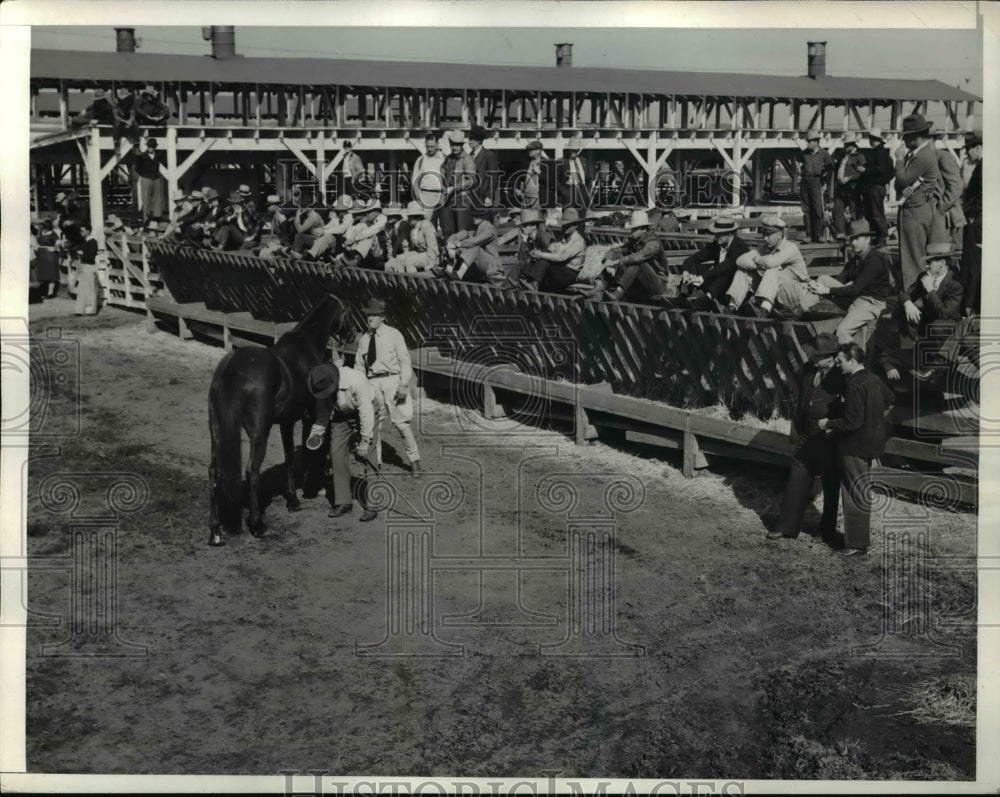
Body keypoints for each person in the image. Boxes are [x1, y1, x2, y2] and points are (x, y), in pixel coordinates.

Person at [817, 343, 894, 556]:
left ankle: (856, 544)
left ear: (852, 360)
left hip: (854, 445)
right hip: (871, 443)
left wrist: (828, 424)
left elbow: (851, 422)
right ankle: (858, 541)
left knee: (853, 492)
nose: (838, 365)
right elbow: (889, 398)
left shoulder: (854, 384)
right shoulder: (873, 378)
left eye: (841, 361)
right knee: (860, 489)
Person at [768, 333, 844, 545]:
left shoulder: (842, 374)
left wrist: (835, 427)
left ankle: (826, 530)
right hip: (806, 434)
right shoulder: (809, 369)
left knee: (830, 486)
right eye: (813, 356)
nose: (813, 359)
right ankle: (786, 527)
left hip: (829, 438)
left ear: (831, 357)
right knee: (796, 478)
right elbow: (802, 395)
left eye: (818, 357)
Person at [875, 241, 964, 388]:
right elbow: (905, 295)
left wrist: (930, 291)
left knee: (936, 326)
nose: (927, 265)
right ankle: (911, 355)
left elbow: (945, 313)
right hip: (928, 322)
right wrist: (908, 303)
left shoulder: (955, 282)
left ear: (942, 262)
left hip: (949, 325)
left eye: (930, 262)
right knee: (902, 311)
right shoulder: (925, 276)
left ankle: (935, 366)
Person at [304, 361, 379, 523]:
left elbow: (366, 412)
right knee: (336, 453)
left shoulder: (355, 381)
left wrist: (365, 441)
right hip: (341, 416)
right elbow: (324, 414)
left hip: (367, 411)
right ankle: (343, 501)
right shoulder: (321, 385)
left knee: (369, 456)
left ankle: (373, 504)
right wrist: (316, 434)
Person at [355, 298, 423, 477]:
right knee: (373, 424)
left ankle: (414, 461)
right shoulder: (364, 339)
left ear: (383, 317)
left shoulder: (394, 335)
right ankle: (375, 463)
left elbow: (404, 361)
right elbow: (359, 367)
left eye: (374, 315)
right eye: (368, 315)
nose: (370, 318)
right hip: (372, 383)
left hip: (392, 381)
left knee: (401, 423)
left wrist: (403, 384)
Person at [808, 219, 893, 345]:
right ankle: (798, 313)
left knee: (843, 330)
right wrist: (816, 286)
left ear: (867, 239)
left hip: (872, 302)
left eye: (857, 239)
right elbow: (839, 280)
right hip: (856, 298)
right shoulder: (856, 258)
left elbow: (855, 289)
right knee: (823, 279)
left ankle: (852, 362)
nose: (853, 243)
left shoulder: (875, 260)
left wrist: (826, 290)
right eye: (851, 239)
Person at [728, 215, 811, 317]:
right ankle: (732, 307)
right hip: (777, 294)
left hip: (795, 296)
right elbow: (740, 260)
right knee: (743, 270)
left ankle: (764, 310)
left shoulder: (790, 248)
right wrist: (757, 266)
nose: (765, 238)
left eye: (768, 235)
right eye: (763, 234)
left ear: (780, 235)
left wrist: (757, 260)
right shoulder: (765, 247)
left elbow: (771, 263)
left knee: (772, 270)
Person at [894, 113, 941, 291]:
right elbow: (901, 183)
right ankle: (914, 298)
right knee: (911, 257)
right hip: (913, 209)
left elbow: (901, 180)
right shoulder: (918, 154)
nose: (903, 139)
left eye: (906, 135)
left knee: (912, 259)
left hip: (915, 212)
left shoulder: (923, 157)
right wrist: (902, 186)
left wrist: (898, 159)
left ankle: (914, 301)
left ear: (915, 136)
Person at [679, 213, 750, 310]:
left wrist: (702, 277)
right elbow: (692, 259)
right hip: (716, 282)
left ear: (730, 234)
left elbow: (726, 266)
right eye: (715, 234)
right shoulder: (717, 244)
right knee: (694, 266)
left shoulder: (739, 246)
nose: (716, 237)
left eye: (720, 234)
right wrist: (686, 272)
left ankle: (706, 298)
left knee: (725, 272)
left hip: (731, 286)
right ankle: (688, 293)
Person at [601, 210, 669, 303]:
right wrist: (608, 260)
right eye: (632, 229)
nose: (631, 232)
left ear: (644, 230)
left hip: (658, 284)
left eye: (635, 229)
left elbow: (638, 257)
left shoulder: (653, 243)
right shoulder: (635, 241)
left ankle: (618, 293)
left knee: (638, 263)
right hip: (641, 283)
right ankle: (598, 287)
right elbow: (617, 250)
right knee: (617, 258)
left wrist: (616, 262)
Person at [521, 208, 587, 293]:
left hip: (570, 274)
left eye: (568, 225)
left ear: (575, 225)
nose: (565, 227)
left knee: (546, 259)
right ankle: (528, 281)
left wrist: (541, 255)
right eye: (564, 224)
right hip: (559, 270)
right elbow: (551, 248)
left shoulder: (579, 242)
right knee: (543, 256)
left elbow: (562, 257)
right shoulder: (562, 238)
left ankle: (534, 283)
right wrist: (537, 253)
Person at [436, 208, 502, 283]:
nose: (474, 217)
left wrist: (456, 245)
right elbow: (456, 236)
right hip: (476, 266)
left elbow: (474, 242)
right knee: (459, 249)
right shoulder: (472, 226)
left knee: (474, 249)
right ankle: (448, 270)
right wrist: (449, 243)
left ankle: (459, 274)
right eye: (472, 215)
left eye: (477, 216)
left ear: (483, 216)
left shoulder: (490, 229)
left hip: (491, 266)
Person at [928, 126, 966, 249]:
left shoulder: (943, 156)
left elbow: (956, 186)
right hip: (930, 216)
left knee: (940, 255)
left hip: (946, 218)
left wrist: (940, 208)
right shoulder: (921, 158)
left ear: (931, 140)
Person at [959, 131, 982, 316]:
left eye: (969, 149)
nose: (967, 153)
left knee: (972, 262)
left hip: (977, 219)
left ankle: (970, 304)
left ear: (979, 148)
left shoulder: (984, 165)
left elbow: (981, 192)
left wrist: (974, 215)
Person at [438, 130, 476, 238]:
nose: (454, 147)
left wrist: (455, 188)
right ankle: (449, 252)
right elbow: (442, 169)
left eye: (457, 145)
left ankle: (462, 254)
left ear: (461, 145)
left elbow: (472, 180)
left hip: (462, 198)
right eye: (452, 144)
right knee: (447, 229)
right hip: (448, 198)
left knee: (462, 231)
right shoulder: (449, 158)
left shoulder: (468, 159)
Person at [798, 130, 833, 243]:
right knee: (806, 209)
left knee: (818, 210)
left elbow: (830, 168)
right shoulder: (804, 153)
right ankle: (809, 235)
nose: (807, 143)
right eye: (807, 141)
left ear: (816, 142)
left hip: (817, 181)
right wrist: (799, 172)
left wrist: (825, 183)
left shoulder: (824, 154)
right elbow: (797, 161)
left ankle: (819, 235)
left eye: (809, 141)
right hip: (805, 181)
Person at [386, 201, 439, 275]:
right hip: (419, 253)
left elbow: (432, 247)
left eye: (409, 218)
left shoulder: (427, 226)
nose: (408, 220)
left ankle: (413, 284)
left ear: (416, 217)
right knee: (400, 258)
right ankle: (402, 281)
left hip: (430, 255)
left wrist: (430, 265)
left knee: (410, 261)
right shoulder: (413, 228)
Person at [859, 128, 893, 246]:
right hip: (875, 186)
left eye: (871, 139)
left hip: (875, 187)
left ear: (874, 139)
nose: (869, 141)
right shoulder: (881, 152)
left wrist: (865, 171)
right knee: (872, 213)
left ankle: (882, 237)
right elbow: (891, 171)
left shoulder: (880, 152)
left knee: (876, 213)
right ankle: (878, 236)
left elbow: (880, 169)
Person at [831, 132, 867, 239]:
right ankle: (841, 232)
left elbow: (862, 173)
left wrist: (849, 178)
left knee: (855, 211)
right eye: (845, 145)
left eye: (848, 145)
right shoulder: (842, 155)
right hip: (841, 189)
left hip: (853, 189)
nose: (845, 147)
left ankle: (857, 234)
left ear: (853, 145)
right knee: (837, 210)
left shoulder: (860, 157)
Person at [340, 200, 388, 269]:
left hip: (383, 251)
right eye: (366, 212)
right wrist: (352, 236)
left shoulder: (382, 219)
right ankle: (346, 259)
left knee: (369, 237)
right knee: (358, 234)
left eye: (369, 211)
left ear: (376, 211)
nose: (366, 214)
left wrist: (354, 239)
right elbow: (354, 229)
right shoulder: (370, 221)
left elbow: (370, 231)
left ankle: (355, 261)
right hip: (374, 250)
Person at [304, 194, 354, 261]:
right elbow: (328, 226)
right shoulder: (337, 216)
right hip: (334, 240)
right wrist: (320, 230)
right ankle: (305, 252)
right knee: (319, 235)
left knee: (326, 237)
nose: (340, 210)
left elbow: (341, 229)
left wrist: (324, 231)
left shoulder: (349, 217)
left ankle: (311, 256)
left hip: (342, 242)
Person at [411, 132, 447, 212]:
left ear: (437, 144)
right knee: (428, 222)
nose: (430, 149)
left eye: (432, 147)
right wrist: (418, 198)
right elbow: (415, 180)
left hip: (442, 196)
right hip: (426, 196)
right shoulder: (421, 160)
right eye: (427, 147)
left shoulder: (445, 158)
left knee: (443, 223)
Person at [135, 138, 167, 222]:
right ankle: (146, 219)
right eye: (149, 146)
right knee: (146, 200)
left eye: (152, 147)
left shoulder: (158, 156)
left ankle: (157, 218)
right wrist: (145, 174)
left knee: (157, 200)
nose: (150, 148)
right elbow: (137, 168)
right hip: (146, 179)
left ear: (155, 147)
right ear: (147, 147)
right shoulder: (141, 156)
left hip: (156, 179)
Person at [468, 126, 500, 210]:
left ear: (479, 140)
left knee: (485, 221)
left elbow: (493, 177)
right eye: (469, 138)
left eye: (472, 139)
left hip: (483, 196)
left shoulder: (489, 155)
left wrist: (489, 196)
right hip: (470, 197)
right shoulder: (469, 155)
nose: (469, 141)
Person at [555, 137, 592, 210]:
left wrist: (588, 190)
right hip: (569, 190)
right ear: (568, 149)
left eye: (575, 150)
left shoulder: (583, 160)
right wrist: (563, 191)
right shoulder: (561, 161)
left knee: (582, 215)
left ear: (578, 150)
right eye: (571, 150)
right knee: (569, 215)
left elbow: (589, 177)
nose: (573, 152)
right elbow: (554, 179)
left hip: (582, 190)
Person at [73, 223, 101, 316]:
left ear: (88, 231)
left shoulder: (93, 242)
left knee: (89, 289)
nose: (81, 232)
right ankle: (80, 309)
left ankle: (90, 310)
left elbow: (90, 257)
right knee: (81, 289)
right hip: (82, 266)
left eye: (83, 231)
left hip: (89, 267)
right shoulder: (83, 242)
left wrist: (80, 253)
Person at [34, 218, 62, 299]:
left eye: (42, 226)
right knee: (43, 274)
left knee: (50, 275)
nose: (41, 227)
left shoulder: (53, 234)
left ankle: (50, 292)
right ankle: (44, 292)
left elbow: (58, 242)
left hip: (50, 255)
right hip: (41, 255)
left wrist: (54, 248)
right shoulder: (42, 233)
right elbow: (38, 242)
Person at [519, 140, 545, 210]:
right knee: (525, 217)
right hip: (526, 196)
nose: (529, 151)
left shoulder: (546, 163)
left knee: (537, 218)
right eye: (529, 150)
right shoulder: (526, 162)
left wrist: (539, 172)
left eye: (531, 150)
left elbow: (551, 181)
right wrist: (519, 188)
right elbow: (521, 177)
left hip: (538, 197)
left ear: (539, 151)